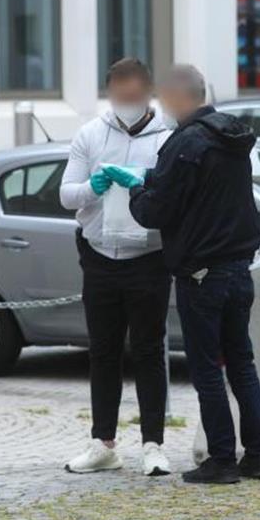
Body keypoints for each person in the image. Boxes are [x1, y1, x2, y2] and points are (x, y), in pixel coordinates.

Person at [104, 65, 260, 485]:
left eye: (162, 99)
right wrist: (154, 181)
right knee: (242, 364)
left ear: (178, 97)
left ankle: (221, 460)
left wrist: (138, 189)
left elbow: (156, 211)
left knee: (207, 369)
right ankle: (257, 456)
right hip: (238, 267)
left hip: (202, 272)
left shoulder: (187, 142)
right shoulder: (233, 136)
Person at [59, 57, 173, 477]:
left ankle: (153, 445)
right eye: (119, 92)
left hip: (149, 258)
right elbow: (66, 195)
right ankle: (102, 442)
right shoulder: (90, 134)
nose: (127, 99)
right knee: (103, 352)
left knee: (148, 352)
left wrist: (142, 184)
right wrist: (93, 187)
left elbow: (175, 196)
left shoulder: (168, 138)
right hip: (100, 256)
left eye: (134, 92)